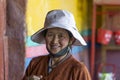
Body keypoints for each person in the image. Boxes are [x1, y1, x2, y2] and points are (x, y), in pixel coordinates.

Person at [22, 9, 91, 80]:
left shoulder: (78, 70)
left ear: (71, 40)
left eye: (61, 36)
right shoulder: (35, 63)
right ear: (45, 37)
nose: (54, 41)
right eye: (50, 35)